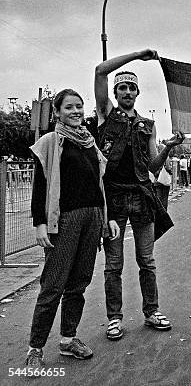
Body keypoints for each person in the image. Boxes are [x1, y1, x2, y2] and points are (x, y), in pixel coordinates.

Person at [25, 89, 120, 371]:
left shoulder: (91, 144)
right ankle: (35, 349)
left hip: (92, 219)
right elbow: (40, 186)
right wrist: (39, 223)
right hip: (64, 221)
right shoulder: (50, 142)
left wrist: (108, 218)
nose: (76, 111)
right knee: (53, 285)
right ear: (57, 112)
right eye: (69, 107)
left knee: (79, 283)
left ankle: (68, 340)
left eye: (79, 106)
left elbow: (100, 186)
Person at [94, 49, 184, 341]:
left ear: (138, 92)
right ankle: (114, 318)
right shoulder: (107, 114)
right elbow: (100, 70)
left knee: (147, 260)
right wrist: (137, 56)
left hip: (142, 197)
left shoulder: (148, 125)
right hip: (115, 199)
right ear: (116, 92)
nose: (128, 92)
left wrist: (169, 147)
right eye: (123, 87)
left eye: (132, 87)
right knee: (114, 264)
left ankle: (151, 311)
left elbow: (152, 166)